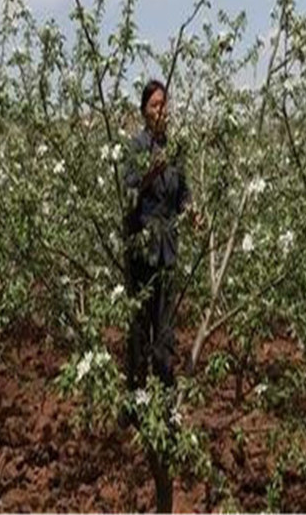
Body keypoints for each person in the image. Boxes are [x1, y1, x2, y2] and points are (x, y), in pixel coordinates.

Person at [123, 79, 193, 395]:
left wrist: (193, 213)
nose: (161, 110)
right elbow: (130, 193)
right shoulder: (136, 147)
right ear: (145, 112)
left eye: (164, 104)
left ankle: (163, 394)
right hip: (142, 251)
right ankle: (135, 395)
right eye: (155, 105)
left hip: (167, 251)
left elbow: (183, 195)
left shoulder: (174, 150)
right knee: (140, 327)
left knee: (165, 329)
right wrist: (151, 171)